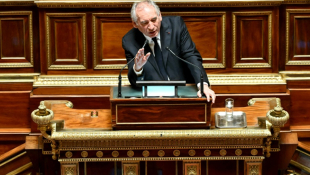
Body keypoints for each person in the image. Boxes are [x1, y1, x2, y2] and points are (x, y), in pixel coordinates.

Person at [122, 0, 216, 103]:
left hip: (183, 92)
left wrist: (203, 85)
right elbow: (134, 82)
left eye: (154, 20)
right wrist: (137, 68)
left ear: (160, 16)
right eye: (145, 23)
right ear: (135, 24)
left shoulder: (176, 25)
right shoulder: (129, 41)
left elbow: (191, 55)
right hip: (153, 98)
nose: (151, 27)